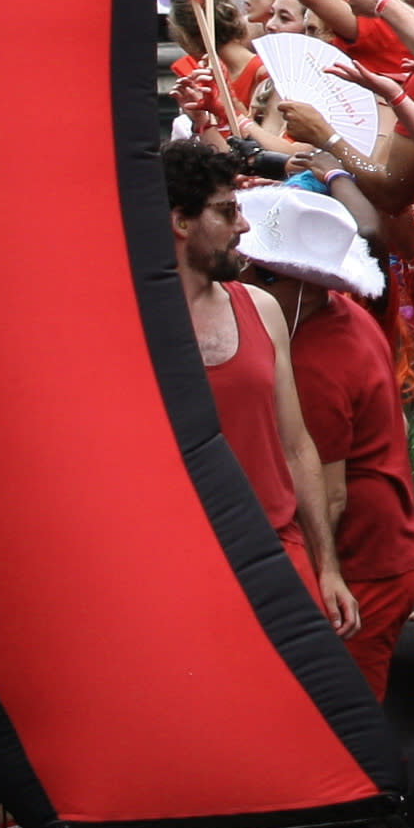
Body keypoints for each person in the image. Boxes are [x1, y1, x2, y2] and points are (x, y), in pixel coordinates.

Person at [162, 142, 355, 634]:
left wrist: (326, 567)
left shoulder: (262, 308)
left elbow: (296, 447)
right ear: (181, 222)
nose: (243, 227)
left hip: (275, 551)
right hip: (178, 560)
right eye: (227, 213)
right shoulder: (131, 328)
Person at [239, 184, 414, 699]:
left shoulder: (315, 363)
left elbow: (328, 491)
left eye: (266, 275)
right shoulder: (337, 321)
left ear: (311, 288)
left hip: (363, 564)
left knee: (348, 724)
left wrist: (317, 572)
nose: (246, 281)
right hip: (377, 552)